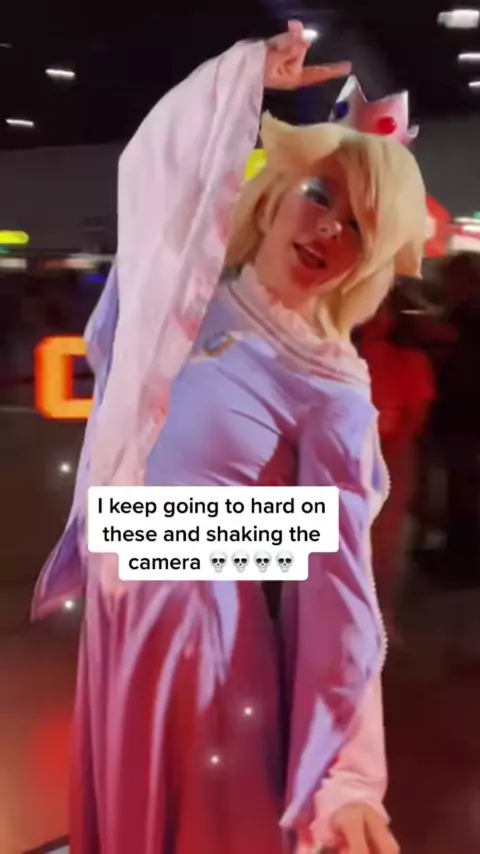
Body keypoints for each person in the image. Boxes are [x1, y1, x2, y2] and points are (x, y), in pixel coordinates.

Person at [31, 21, 427, 854]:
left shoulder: (330, 383)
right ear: (276, 191)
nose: (330, 230)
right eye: (321, 195)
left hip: (201, 650)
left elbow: (338, 580)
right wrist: (238, 79)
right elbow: (153, 178)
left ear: (369, 261)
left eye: (360, 228)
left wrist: (348, 779)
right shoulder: (182, 297)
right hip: (122, 633)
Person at [361, 297, 436, 633]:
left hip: (390, 455)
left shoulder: (411, 361)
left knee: (385, 540)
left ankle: (382, 614)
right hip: (343, 456)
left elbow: (414, 422)